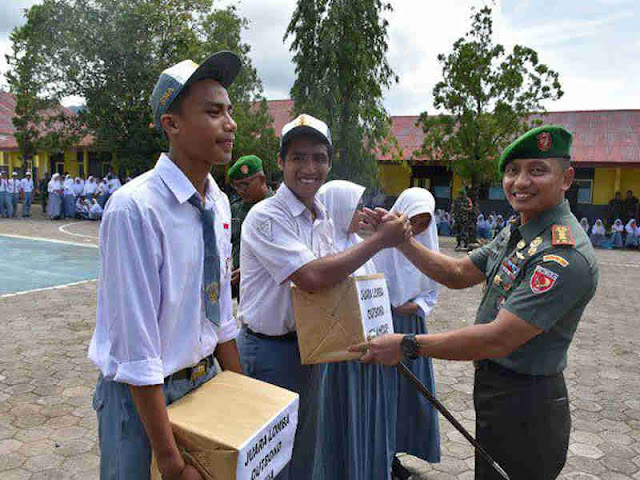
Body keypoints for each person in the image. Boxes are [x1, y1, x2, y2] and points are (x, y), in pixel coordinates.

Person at [353, 125, 599, 480]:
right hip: (497, 392)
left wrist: (406, 344)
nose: (521, 182)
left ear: (566, 179)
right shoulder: (518, 230)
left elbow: (497, 338)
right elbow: (457, 272)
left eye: (537, 170)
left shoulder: (562, 255)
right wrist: (402, 241)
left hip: (528, 404)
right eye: (513, 171)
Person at [88, 51, 244, 480]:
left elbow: (221, 318)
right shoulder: (135, 209)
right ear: (171, 125)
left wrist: (247, 400)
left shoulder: (216, 202)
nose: (230, 124)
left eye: (230, 111)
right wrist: (171, 460)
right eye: (213, 112)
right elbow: (136, 348)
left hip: (204, 383)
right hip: (145, 402)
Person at [236, 114, 410, 480]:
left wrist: (368, 234)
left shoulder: (323, 215)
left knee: (302, 454)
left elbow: (336, 278)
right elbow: (313, 278)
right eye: (298, 157)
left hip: (311, 350)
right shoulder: (266, 216)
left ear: (330, 163)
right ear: (280, 162)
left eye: (318, 157)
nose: (309, 167)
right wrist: (380, 241)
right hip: (270, 352)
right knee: (266, 464)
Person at [315, 179, 399, 479]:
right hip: (339, 359)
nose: (361, 211)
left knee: (362, 420)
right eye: (355, 205)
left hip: (366, 355)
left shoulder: (356, 246)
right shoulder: (325, 250)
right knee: (340, 422)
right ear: (337, 208)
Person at [373, 187, 441, 475]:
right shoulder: (383, 244)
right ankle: (382, 453)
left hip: (412, 329)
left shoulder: (428, 246)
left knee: (409, 395)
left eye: (425, 221)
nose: (418, 227)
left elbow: (433, 290)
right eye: (413, 219)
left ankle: (399, 450)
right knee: (383, 393)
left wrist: (416, 307)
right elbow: (370, 282)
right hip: (383, 327)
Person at [228, 154, 273, 298]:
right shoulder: (235, 209)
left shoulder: (278, 209)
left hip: (268, 288)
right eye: (236, 186)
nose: (241, 190)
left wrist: (248, 269)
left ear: (262, 179)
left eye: (245, 184)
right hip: (240, 288)